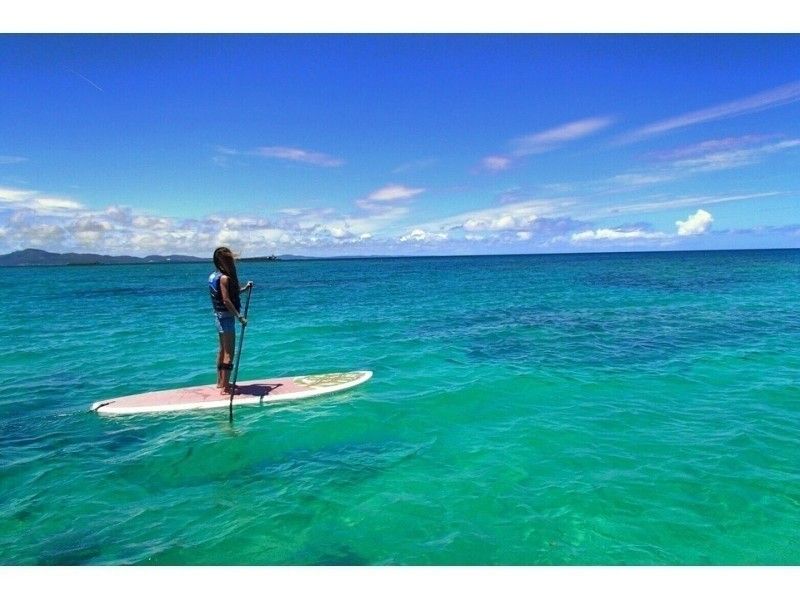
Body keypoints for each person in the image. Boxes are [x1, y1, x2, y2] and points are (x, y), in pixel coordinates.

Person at [209, 247, 253, 394]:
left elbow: (226, 295)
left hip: (218, 317)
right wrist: (239, 317)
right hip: (226, 318)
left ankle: (220, 383)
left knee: (222, 350)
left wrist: (245, 288)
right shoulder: (224, 278)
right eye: (229, 259)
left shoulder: (213, 276)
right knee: (229, 353)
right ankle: (226, 388)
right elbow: (227, 300)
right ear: (222, 261)